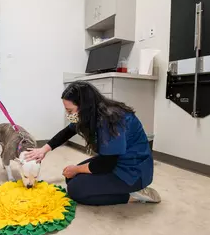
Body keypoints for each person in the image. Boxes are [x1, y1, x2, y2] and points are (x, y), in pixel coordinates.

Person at [26, 81, 161, 205]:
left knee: (75, 190)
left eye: (70, 111)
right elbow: (68, 131)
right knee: (71, 178)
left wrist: (77, 169)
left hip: (133, 172)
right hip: (116, 161)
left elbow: (106, 164)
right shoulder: (93, 113)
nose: (68, 115)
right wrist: (43, 150)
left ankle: (134, 195)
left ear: (84, 106)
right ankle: (118, 189)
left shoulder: (110, 120)